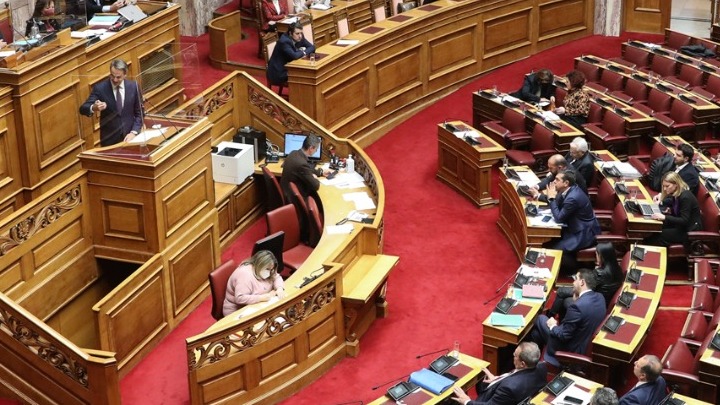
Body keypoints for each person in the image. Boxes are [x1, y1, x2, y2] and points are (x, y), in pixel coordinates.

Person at [527, 268, 606, 366]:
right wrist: (577, 300)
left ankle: (526, 355)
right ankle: (531, 356)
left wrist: (553, 325)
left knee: (540, 318)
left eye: (575, 279)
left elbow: (563, 335)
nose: (573, 282)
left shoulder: (577, 307)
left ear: (582, 282)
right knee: (536, 334)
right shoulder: (600, 297)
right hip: (583, 342)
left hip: (569, 349)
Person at [450, 342, 547, 405]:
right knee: (481, 380)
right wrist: (497, 379)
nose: (513, 356)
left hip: (488, 401)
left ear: (522, 364)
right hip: (507, 393)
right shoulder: (542, 367)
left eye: (515, 355)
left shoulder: (509, 388)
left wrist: (467, 401)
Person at [547, 242, 623, 319]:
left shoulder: (599, 273)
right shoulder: (618, 269)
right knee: (564, 295)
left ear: (602, 256)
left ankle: (550, 316)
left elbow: (586, 287)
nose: (596, 257)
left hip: (593, 301)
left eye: (596, 254)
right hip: (602, 301)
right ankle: (559, 318)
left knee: (561, 292)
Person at [79, 59, 143, 146]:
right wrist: (94, 107)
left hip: (131, 138)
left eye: (118, 77)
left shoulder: (133, 86)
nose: (115, 80)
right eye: (112, 76)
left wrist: (134, 132)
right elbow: (83, 108)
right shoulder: (100, 88)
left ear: (125, 75)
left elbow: (140, 113)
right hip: (109, 140)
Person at [544, 171, 600, 253]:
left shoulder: (572, 198)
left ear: (566, 183)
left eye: (557, 180)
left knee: (555, 251)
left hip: (583, 233)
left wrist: (552, 199)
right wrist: (553, 197)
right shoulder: (568, 189)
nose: (554, 182)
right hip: (572, 226)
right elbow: (559, 206)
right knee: (548, 242)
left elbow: (559, 218)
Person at [644, 172, 703, 246]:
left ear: (676, 184)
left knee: (658, 235)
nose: (664, 189)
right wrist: (671, 211)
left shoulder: (685, 197)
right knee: (653, 230)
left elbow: (684, 220)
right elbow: (679, 209)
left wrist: (665, 217)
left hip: (688, 231)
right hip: (680, 226)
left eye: (667, 186)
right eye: (663, 186)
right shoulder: (676, 193)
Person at [222, 250, 285, 316]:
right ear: (259, 265)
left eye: (271, 269)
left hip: (257, 305)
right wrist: (261, 298)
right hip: (238, 311)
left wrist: (279, 288)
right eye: (267, 269)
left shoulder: (266, 268)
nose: (269, 272)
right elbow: (240, 298)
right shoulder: (244, 275)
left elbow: (277, 277)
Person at [280, 134, 328, 201]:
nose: (316, 151)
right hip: (295, 199)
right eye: (316, 149)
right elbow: (316, 186)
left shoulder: (293, 153)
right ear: (311, 148)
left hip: (287, 191)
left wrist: (320, 172)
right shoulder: (302, 164)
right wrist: (315, 178)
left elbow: (307, 168)